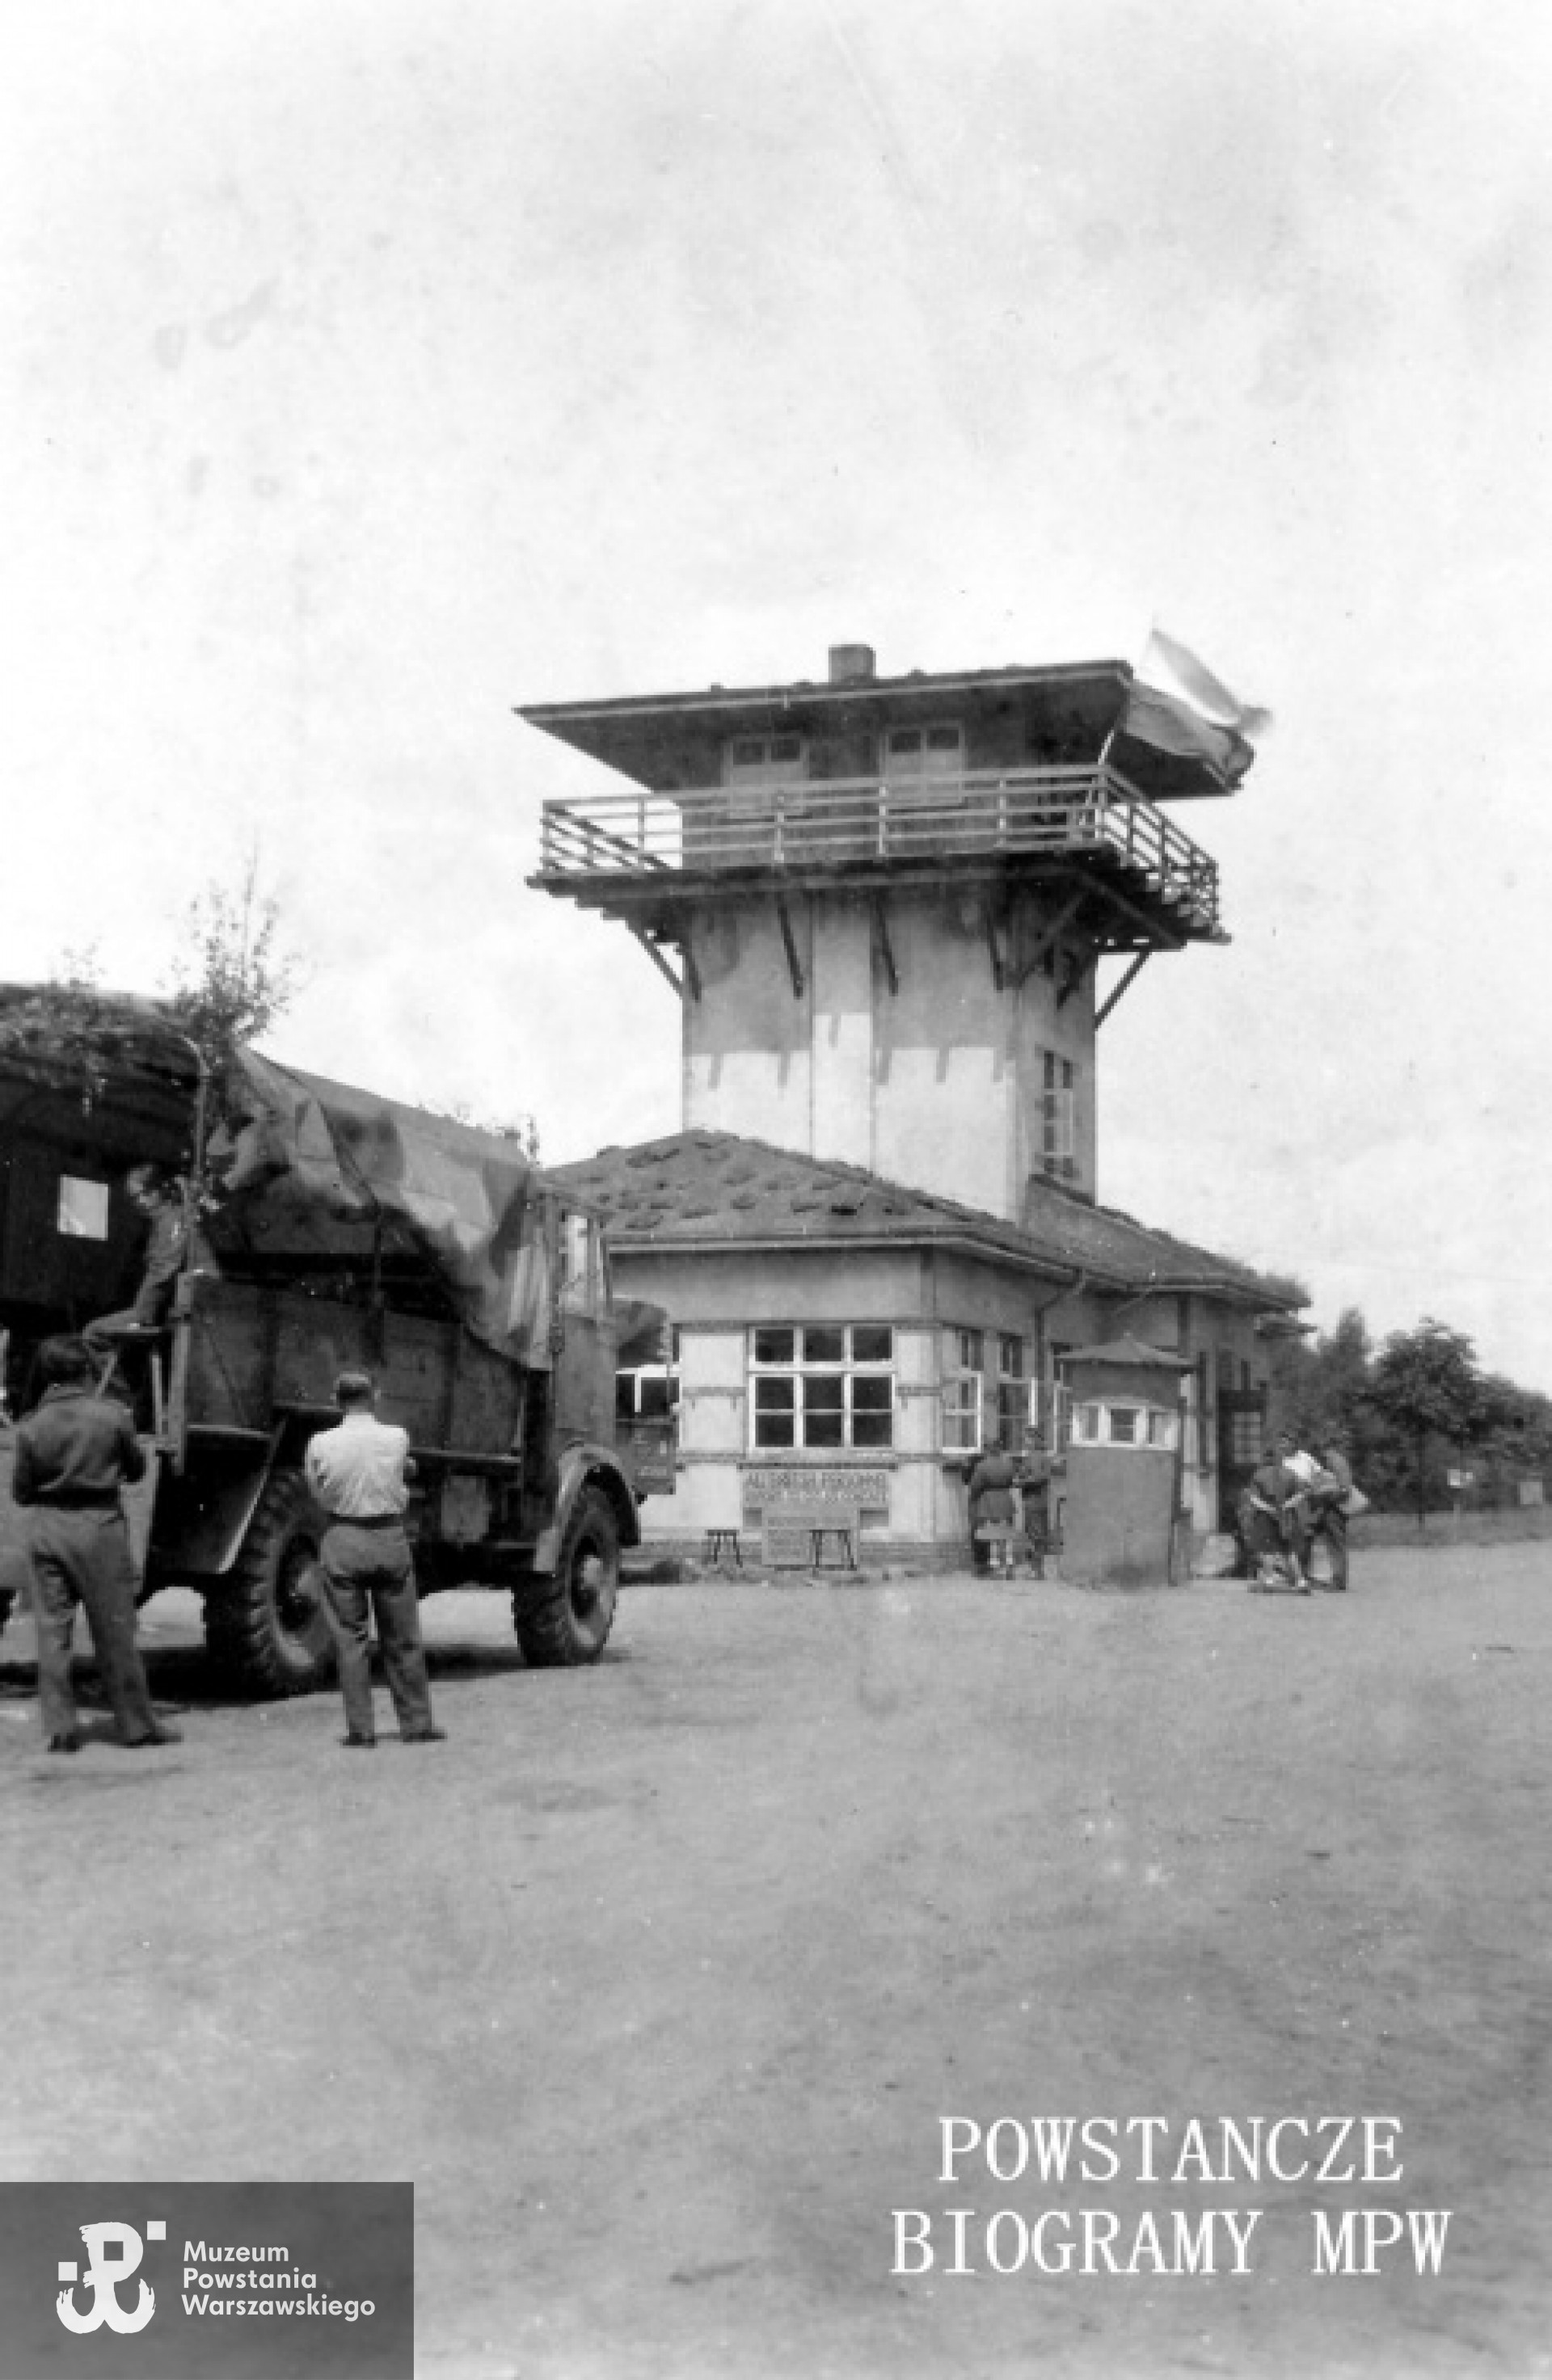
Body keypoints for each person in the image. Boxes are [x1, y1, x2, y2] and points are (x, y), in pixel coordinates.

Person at [10, 1334, 178, 1751]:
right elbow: (136, 1471)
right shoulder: (112, 1417)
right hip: (100, 1527)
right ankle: (136, 1725)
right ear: (86, 1370)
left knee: (52, 1633)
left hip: (48, 1529)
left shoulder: (31, 1426)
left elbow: (22, 1493)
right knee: (115, 1631)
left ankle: (61, 1730)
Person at [306, 1368, 445, 1748]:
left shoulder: (320, 1443)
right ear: (375, 1397)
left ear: (337, 1401)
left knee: (350, 1641)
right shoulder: (397, 1437)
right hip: (389, 1538)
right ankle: (416, 1725)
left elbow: (315, 1490)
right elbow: (404, 1471)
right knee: (403, 1637)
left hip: (343, 1538)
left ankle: (361, 1731)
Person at [82, 1164, 190, 1364]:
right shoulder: (161, 1223)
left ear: (160, 1190)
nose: (140, 1202)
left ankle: (114, 1383)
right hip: (157, 1310)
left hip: (157, 1312)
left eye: (144, 1194)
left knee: (92, 1332)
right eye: (134, 1198)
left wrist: (142, 1312)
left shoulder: (172, 1221)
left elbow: (165, 1269)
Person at [1241, 1438, 1308, 1590]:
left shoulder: (1259, 1475)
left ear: (1265, 1458)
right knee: (1289, 1550)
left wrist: (1268, 1508)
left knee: (1267, 1549)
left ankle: (1269, 1580)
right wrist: (1287, 1505)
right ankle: (1301, 1581)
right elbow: (1301, 1494)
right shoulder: (1291, 1473)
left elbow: (1253, 1498)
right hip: (1287, 1515)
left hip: (1265, 1516)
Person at [1305, 1428, 1354, 1592]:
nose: (1320, 1453)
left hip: (1335, 1508)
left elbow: (1345, 1489)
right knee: (1323, 1540)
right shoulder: (1332, 1461)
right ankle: (1333, 1578)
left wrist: (1324, 1493)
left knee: (1335, 1544)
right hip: (1328, 1508)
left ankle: (1339, 1581)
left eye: (1321, 1448)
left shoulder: (1336, 1461)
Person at [968, 1438, 1022, 1577]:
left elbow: (975, 1486)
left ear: (989, 1449)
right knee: (1007, 1534)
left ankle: (995, 1565)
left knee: (992, 1536)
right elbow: (1012, 1481)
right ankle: (1009, 1564)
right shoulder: (1009, 1464)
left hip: (989, 1501)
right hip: (1006, 1500)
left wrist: (974, 1497)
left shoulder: (982, 1466)